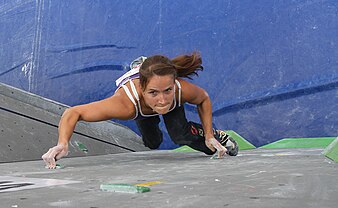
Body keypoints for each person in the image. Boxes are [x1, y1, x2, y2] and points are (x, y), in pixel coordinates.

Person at [42, 52, 238, 169]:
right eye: (153, 92)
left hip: (169, 103)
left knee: (180, 135)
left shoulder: (178, 90)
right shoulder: (125, 104)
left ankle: (219, 137)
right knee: (153, 142)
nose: (162, 100)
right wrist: (62, 143)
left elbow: (203, 98)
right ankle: (139, 66)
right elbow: (73, 113)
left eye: (167, 90)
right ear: (142, 89)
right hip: (140, 109)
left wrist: (210, 135)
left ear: (173, 85)